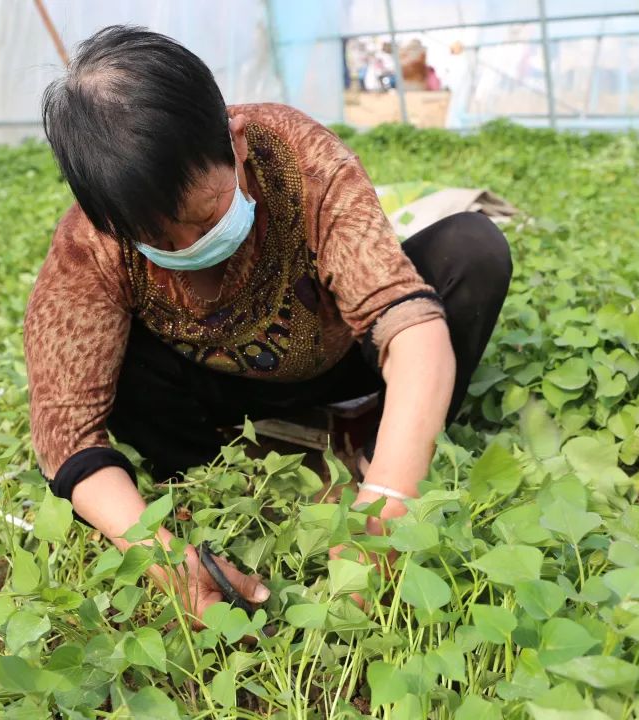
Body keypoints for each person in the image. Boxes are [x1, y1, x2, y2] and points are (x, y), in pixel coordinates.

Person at [26, 26, 512, 625]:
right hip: (214, 386)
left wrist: (385, 506)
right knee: (112, 367)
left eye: (206, 216)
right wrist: (159, 557)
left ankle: (373, 442)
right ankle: (236, 465)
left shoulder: (299, 158)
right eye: (160, 241)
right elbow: (67, 434)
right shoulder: (93, 241)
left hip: (336, 354)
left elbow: (405, 321)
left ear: (234, 143)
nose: (194, 247)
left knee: (472, 251)